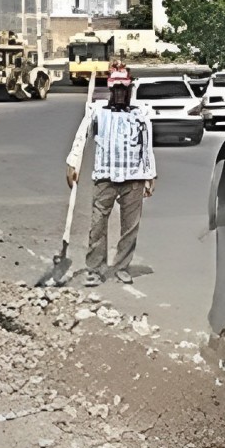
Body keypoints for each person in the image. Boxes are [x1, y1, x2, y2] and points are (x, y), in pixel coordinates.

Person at [66, 72, 156, 287]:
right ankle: (95, 269)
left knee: (130, 227)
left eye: (123, 89)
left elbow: (147, 144)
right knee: (97, 224)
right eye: (115, 89)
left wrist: (151, 173)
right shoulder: (97, 111)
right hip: (105, 175)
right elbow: (82, 136)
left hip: (134, 176)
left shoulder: (141, 113)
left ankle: (122, 266)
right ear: (110, 90)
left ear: (129, 90)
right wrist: (73, 162)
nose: (119, 93)